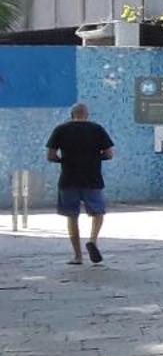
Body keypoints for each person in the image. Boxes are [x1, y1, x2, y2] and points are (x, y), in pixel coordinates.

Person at [46, 102, 114, 266]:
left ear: (72, 115)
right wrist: (95, 157)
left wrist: (64, 160)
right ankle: (92, 240)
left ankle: (77, 256)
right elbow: (109, 154)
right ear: (87, 115)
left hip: (68, 178)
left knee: (72, 216)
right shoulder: (97, 129)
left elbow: (51, 155)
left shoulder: (60, 129)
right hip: (92, 178)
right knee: (98, 212)